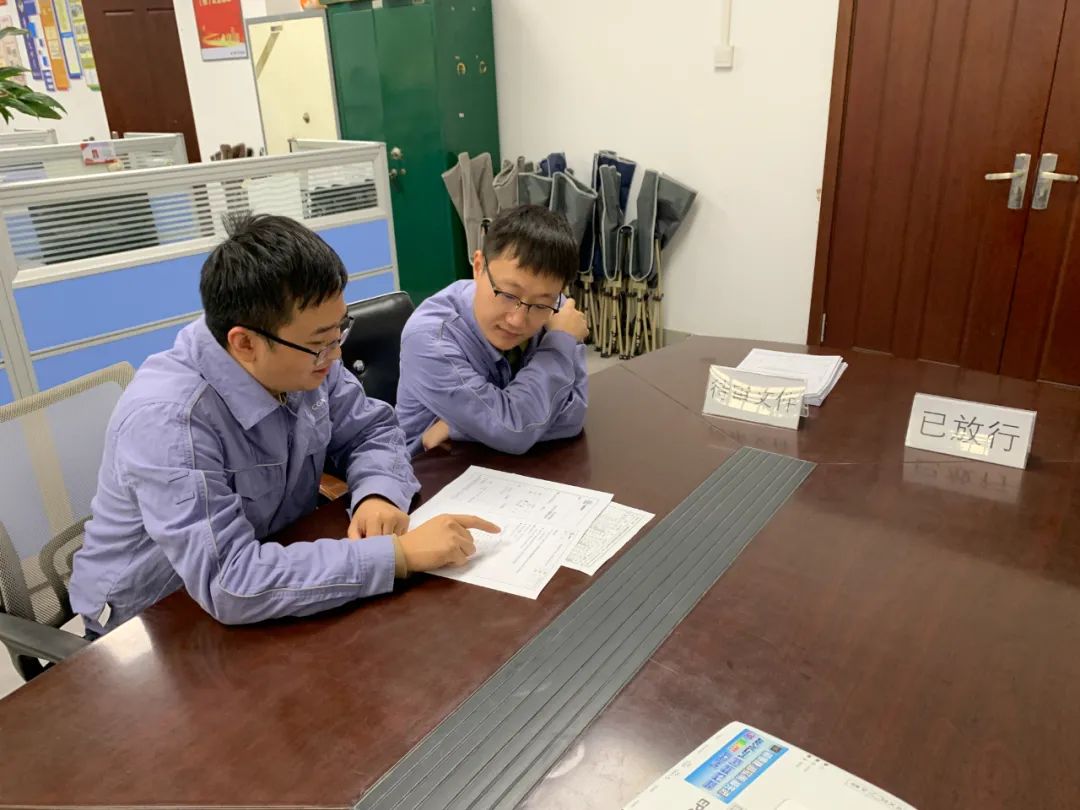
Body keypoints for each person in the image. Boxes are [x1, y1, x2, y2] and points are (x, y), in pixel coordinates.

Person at [69, 215, 497, 637]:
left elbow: (371, 431)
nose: (335, 355)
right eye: (320, 343)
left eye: (339, 332)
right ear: (245, 343)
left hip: (269, 572)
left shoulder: (302, 359)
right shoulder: (170, 422)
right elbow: (230, 582)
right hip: (151, 625)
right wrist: (397, 556)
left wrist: (378, 494)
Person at [396, 205, 589, 456]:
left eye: (541, 304)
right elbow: (515, 431)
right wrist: (558, 343)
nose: (517, 320)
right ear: (478, 267)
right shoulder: (429, 338)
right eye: (508, 294)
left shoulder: (557, 312)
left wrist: (459, 429)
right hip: (433, 469)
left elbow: (573, 415)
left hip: (512, 467)